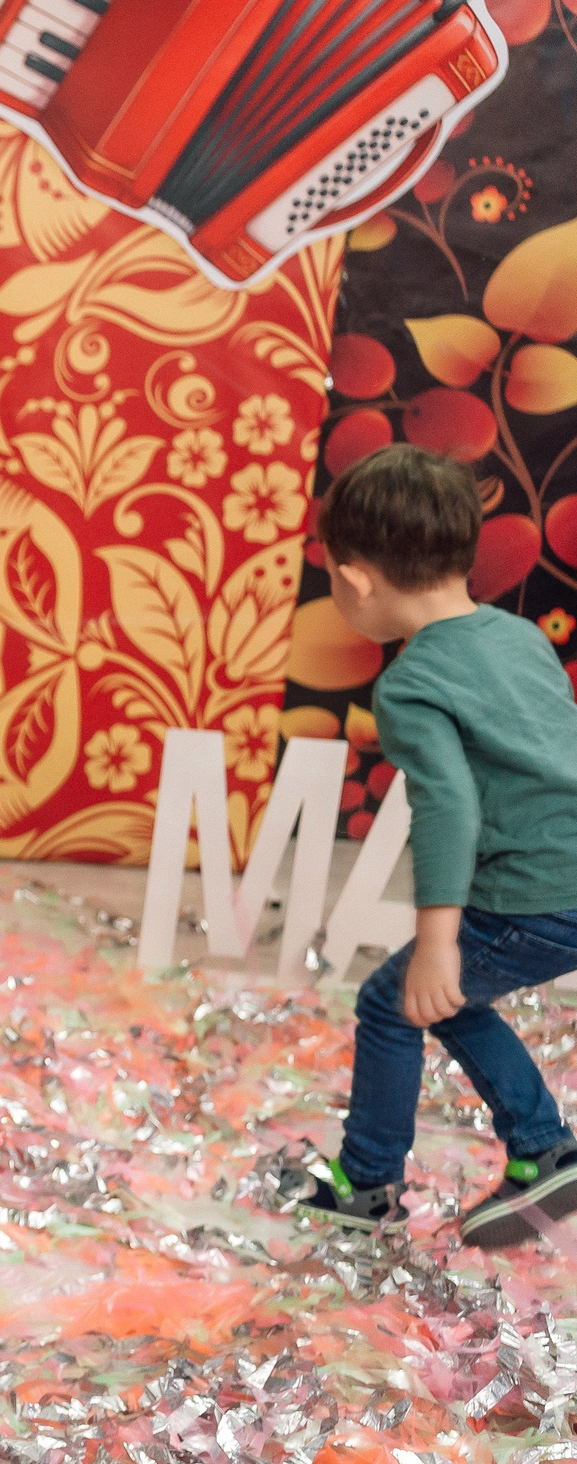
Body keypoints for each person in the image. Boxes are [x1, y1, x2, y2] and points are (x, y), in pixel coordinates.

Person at [291, 444, 577, 1245]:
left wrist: (438, 941)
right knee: (448, 998)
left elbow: (449, 807)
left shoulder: (412, 682)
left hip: (538, 890)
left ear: (353, 579)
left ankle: (370, 1186)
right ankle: (540, 1146)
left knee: (395, 999)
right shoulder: (518, 637)